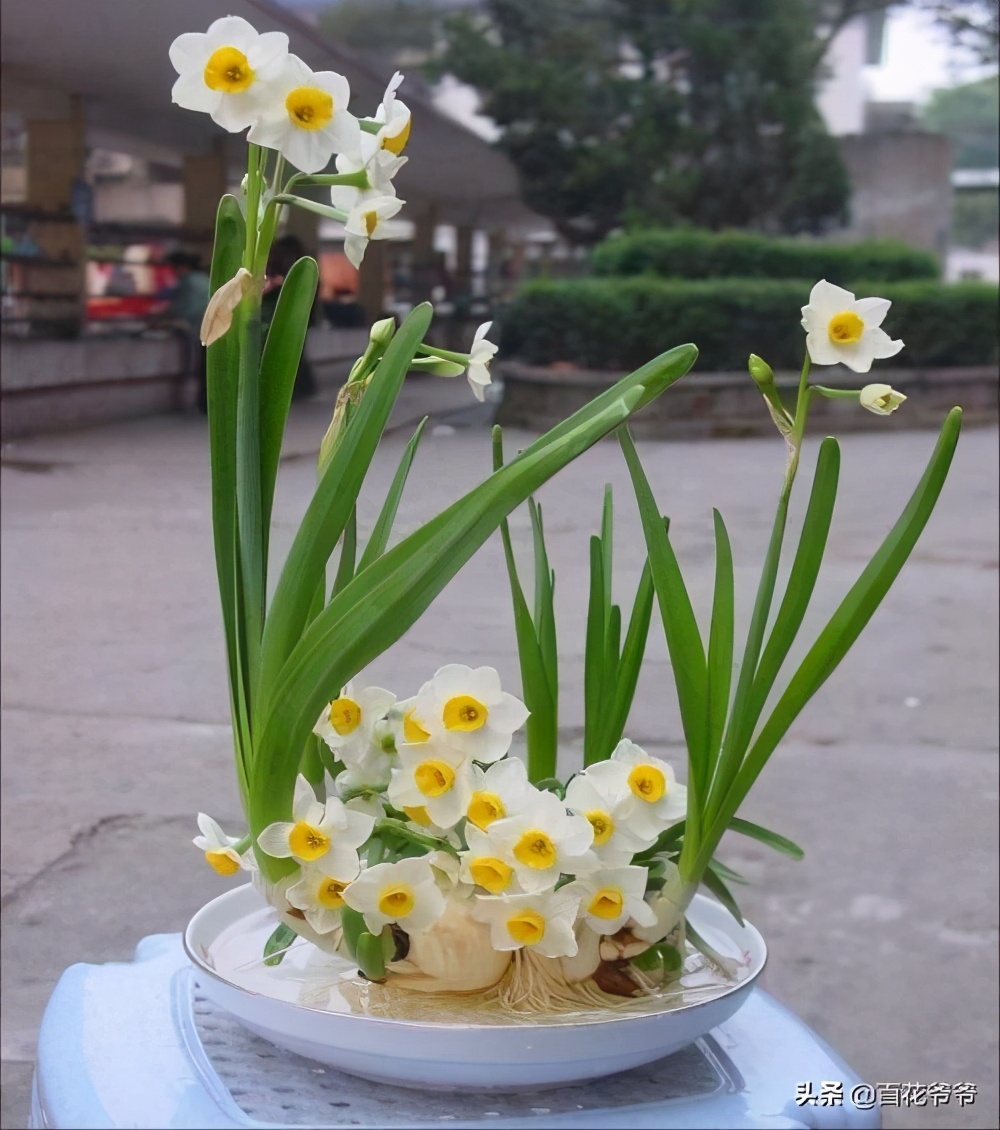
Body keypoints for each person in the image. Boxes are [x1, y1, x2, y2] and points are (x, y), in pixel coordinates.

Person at [262, 235, 317, 401]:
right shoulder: (307, 268)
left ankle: (295, 389)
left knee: (285, 353)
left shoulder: (286, 267)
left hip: (281, 317)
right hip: (300, 317)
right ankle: (301, 388)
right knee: (297, 352)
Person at [164, 250, 211, 413]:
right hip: (214, 327)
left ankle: (204, 405)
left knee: (204, 369)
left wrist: (163, 315)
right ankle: (208, 405)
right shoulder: (204, 279)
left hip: (201, 329)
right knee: (210, 368)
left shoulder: (188, 281)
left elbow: (183, 308)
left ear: (181, 267)